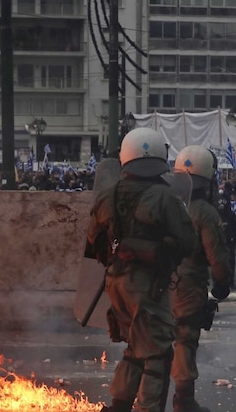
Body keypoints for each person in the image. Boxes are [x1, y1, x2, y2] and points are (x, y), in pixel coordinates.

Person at [86, 127, 197, 412]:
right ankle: (148, 407)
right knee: (158, 353)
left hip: (115, 281)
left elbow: (94, 243)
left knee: (135, 349)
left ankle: (119, 404)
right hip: (149, 284)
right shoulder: (165, 196)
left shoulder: (106, 197)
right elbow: (187, 242)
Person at [170, 146, 233, 412]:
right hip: (188, 288)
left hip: (155, 284)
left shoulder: (163, 201)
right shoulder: (205, 212)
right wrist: (222, 284)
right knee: (184, 341)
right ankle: (183, 400)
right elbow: (216, 255)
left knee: (152, 342)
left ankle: (146, 399)